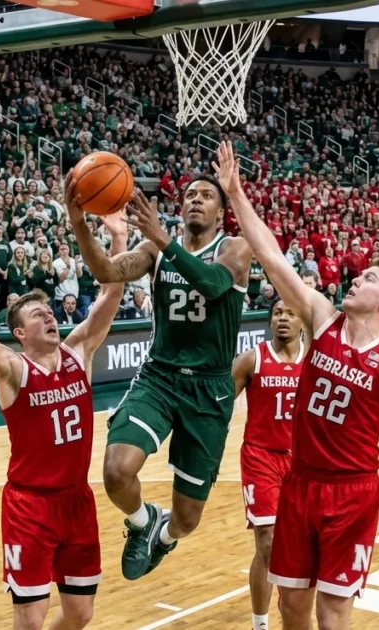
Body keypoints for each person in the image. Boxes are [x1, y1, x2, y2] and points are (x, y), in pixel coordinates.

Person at [215, 141, 379, 630]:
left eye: (367, 279)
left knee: (333, 611)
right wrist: (235, 194)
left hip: (351, 492)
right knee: (292, 606)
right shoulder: (322, 318)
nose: (355, 280)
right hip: (300, 483)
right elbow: (271, 257)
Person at [69, 168, 253, 580]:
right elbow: (106, 272)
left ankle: (165, 537)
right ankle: (142, 522)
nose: (196, 199)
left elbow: (211, 284)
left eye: (206, 195)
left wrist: (163, 240)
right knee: (116, 471)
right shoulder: (155, 250)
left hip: (209, 390)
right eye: (190, 194)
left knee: (187, 519)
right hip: (159, 377)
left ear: (221, 212)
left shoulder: (236, 248)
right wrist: (78, 222)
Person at [0, 208, 126, 630]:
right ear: (19, 333)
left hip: (77, 500)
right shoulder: (12, 370)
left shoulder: (78, 352)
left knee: (81, 612)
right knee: (30, 618)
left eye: (49, 313)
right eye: (37, 315)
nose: (49, 317)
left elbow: (110, 295)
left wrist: (119, 240)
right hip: (29, 506)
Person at [230, 299, 305, 630]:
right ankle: (259, 624)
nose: (283, 318)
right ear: (270, 321)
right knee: (268, 543)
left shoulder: (314, 363)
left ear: (303, 322)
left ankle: (291, 612)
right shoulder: (252, 359)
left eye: (290, 313)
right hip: (260, 457)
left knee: (298, 546)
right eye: (277, 313)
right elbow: (219, 410)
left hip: (301, 462)